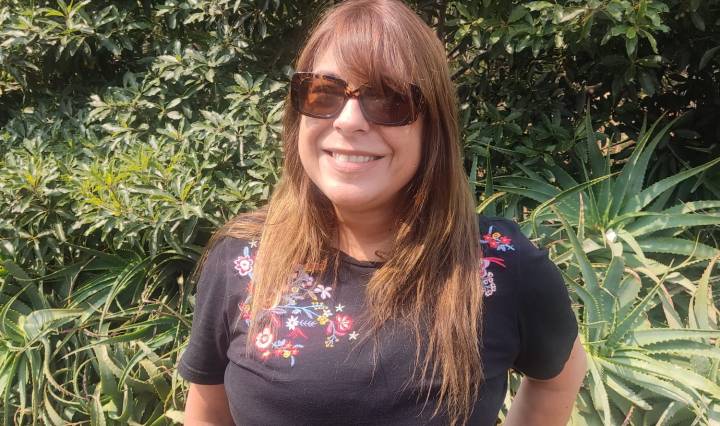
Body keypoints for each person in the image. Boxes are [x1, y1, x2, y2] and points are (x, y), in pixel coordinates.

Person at [177, 0, 587, 425]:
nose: (349, 120)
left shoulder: (498, 264)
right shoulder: (243, 259)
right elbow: (207, 410)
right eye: (324, 93)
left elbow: (560, 376)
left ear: (433, 127)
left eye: (389, 100)